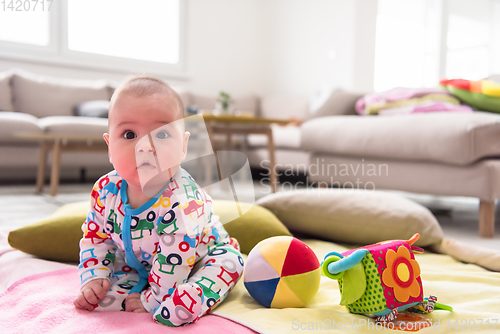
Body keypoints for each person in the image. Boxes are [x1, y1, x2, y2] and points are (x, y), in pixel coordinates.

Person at [73, 76, 244, 327]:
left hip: (200, 259)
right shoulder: (105, 191)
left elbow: (174, 262)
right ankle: (138, 290)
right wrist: (94, 276)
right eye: (129, 134)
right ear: (109, 147)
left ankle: (180, 297)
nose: (146, 146)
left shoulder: (184, 202)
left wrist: (153, 300)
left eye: (161, 134)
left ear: (183, 146)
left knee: (229, 264)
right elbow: (96, 237)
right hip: (142, 263)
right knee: (101, 294)